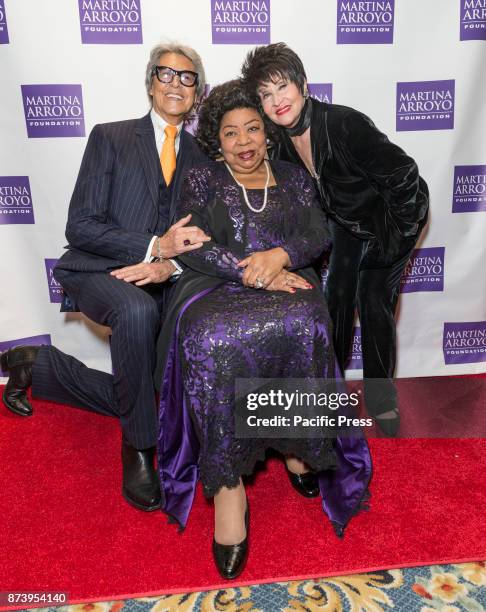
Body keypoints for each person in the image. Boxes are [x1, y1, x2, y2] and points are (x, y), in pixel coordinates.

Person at [155, 80, 372, 580]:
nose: (244, 140)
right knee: (212, 340)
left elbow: (318, 233)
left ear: (267, 132)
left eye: (253, 127)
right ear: (217, 141)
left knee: (307, 320)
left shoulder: (295, 179)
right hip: (217, 287)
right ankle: (229, 489)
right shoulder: (202, 179)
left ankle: (298, 446)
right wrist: (249, 270)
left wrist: (280, 257)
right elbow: (191, 243)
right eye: (231, 133)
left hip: (289, 279)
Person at [0, 43, 209, 512]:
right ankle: (138, 448)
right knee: (135, 311)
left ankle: (37, 364)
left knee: (153, 393)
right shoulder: (111, 137)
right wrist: (153, 246)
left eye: (187, 77)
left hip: (167, 280)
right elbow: (81, 225)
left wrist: (168, 264)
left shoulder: (205, 160)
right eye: (166, 73)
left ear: (198, 92)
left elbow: (201, 241)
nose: (175, 83)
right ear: (150, 81)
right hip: (98, 270)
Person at [241, 43, 430, 437]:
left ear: (303, 85)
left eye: (282, 88)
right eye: (266, 94)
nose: (276, 101)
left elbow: (406, 178)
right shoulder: (283, 144)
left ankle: (382, 399)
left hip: (391, 219)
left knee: (373, 300)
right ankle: (330, 390)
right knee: (335, 299)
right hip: (346, 225)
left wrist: (390, 245)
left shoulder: (343, 124)